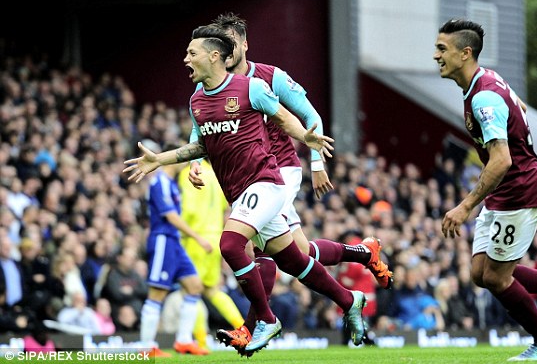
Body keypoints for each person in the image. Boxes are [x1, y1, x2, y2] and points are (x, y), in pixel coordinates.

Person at [123, 25, 367, 354]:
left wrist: (308, 141)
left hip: (267, 181)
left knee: (231, 244)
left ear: (214, 57)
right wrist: (162, 159)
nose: (185, 59)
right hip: (238, 191)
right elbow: (200, 146)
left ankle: (263, 321)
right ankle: (349, 299)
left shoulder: (252, 87)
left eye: (191, 53)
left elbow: (283, 117)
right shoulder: (196, 101)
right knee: (294, 259)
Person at [193, 13, 392, 354]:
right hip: (243, 178)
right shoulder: (207, 87)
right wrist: (197, 162)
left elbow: (309, 117)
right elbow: (200, 132)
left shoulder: (269, 78)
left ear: (243, 45)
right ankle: (361, 258)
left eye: (230, 44)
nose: (225, 51)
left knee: (255, 247)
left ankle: (252, 326)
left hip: (279, 171)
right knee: (296, 252)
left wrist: (316, 162)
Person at [434, 18, 537, 361]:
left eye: (442, 49)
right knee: (481, 274)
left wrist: (465, 206)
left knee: (497, 278)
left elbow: (502, 159)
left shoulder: (483, 97)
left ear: (465, 53)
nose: (436, 56)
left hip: (520, 192)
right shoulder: (485, 83)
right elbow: (516, 109)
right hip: (503, 193)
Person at [138, 142, 211, 357]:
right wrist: (198, 238)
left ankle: (183, 341)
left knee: (194, 286)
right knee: (157, 293)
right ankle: (146, 347)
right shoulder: (159, 182)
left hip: (174, 243)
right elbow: (170, 217)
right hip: (163, 241)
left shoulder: (171, 183)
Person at [177, 158, 245, 348]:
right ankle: (244, 329)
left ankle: (200, 342)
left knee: (191, 290)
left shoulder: (188, 173)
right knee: (212, 290)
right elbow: (224, 206)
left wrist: (179, 227)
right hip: (215, 237)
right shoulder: (215, 173)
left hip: (195, 238)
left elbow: (188, 209)